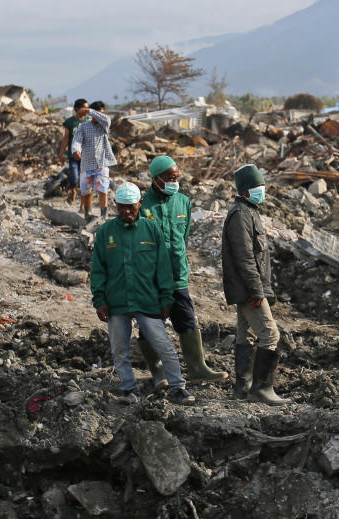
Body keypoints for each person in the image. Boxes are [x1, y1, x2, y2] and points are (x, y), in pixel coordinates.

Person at [90, 182, 195, 405]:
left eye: (131, 207)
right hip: (117, 302)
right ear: (115, 205)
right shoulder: (106, 232)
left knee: (163, 345)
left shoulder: (152, 230)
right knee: (119, 349)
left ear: (139, 204)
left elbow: (163, 268)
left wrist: (167, 298)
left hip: (147, 301)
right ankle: (129, 389)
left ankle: (177, 387)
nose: (126, 212)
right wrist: (99, 300)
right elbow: (98, 269)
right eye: (122, 207)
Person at [136, 154, 228, 387]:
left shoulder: (183, 202)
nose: (174, 182)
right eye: (169, 178)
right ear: (156, 179)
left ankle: (197, 367)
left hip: (177, 275)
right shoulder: (142, 206)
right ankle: (157, 371)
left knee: (186, 319)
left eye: (176, 177)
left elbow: (183, 236)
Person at [220, 164, 288, 406]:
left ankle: (243, 387)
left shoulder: (249, 211)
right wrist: (256, 290)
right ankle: (262, 390)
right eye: (259, 187)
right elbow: (244, 256)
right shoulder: (240, 215)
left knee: (246, 334)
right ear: (246, 191)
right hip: (249, 288)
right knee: (270, 335)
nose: (263, 191)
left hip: (247, 287)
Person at [71, 100, 116, 222]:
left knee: (103, 189)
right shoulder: (83, 127)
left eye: (100, 114)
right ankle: (88, 213)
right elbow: (77, 140)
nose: (99, 117)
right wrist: (76, 150)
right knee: (86, 191)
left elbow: (106, 119)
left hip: (102, 164)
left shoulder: (104, 125)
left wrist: (90, 111)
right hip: (86, 164)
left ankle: (103, 215)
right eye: (97, 113)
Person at [58, 99, 89, 204]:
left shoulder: (88, 121)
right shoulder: (70, 122)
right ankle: (73, 191)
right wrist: (61, 153)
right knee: (74, 178)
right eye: (84, 107)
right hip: (73, 156)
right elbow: (66, 138)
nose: (87, 109)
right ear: (77, 109)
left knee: (85, 181)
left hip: (86, 156)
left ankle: (83, 204)